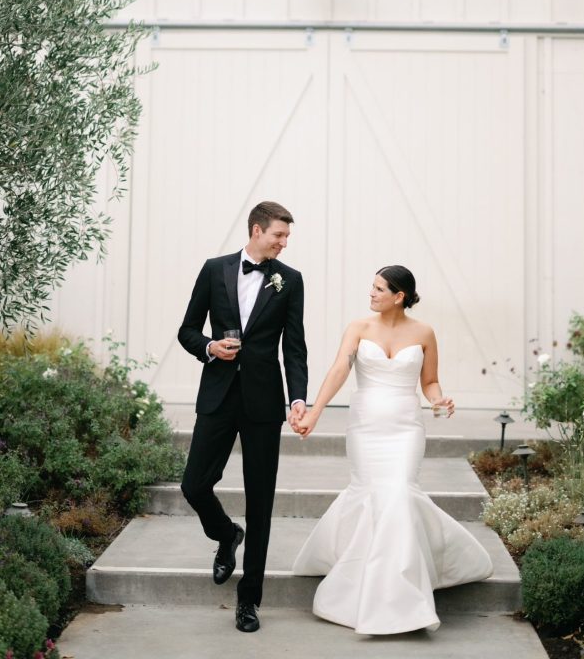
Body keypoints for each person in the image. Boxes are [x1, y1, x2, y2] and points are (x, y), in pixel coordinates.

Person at [292, 265, 493, 635]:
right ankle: (366, 586)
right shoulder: (358, 328)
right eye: (372, 287)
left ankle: (401, 597)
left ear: (399, 296)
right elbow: (339, 369)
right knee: (371, 495)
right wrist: (315, 411)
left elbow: (429, 381)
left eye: (378, 289)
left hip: (405, 428)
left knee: (399, 493)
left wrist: (438, 401)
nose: (371, 294)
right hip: (366, 427)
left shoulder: (424, 332)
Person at [178, 201, 307, 633]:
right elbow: (188, 330)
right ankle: (225, 534)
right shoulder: (214, 269)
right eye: (278, 236)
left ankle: (249, 599)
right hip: (218, 395)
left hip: (263, 403)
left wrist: (298, 398)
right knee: (194, 484)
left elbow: (294, 346)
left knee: (261, 502)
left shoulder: (290, 280)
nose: (284, 243)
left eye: (286, 238)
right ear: (256, 230)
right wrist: (210, 347)